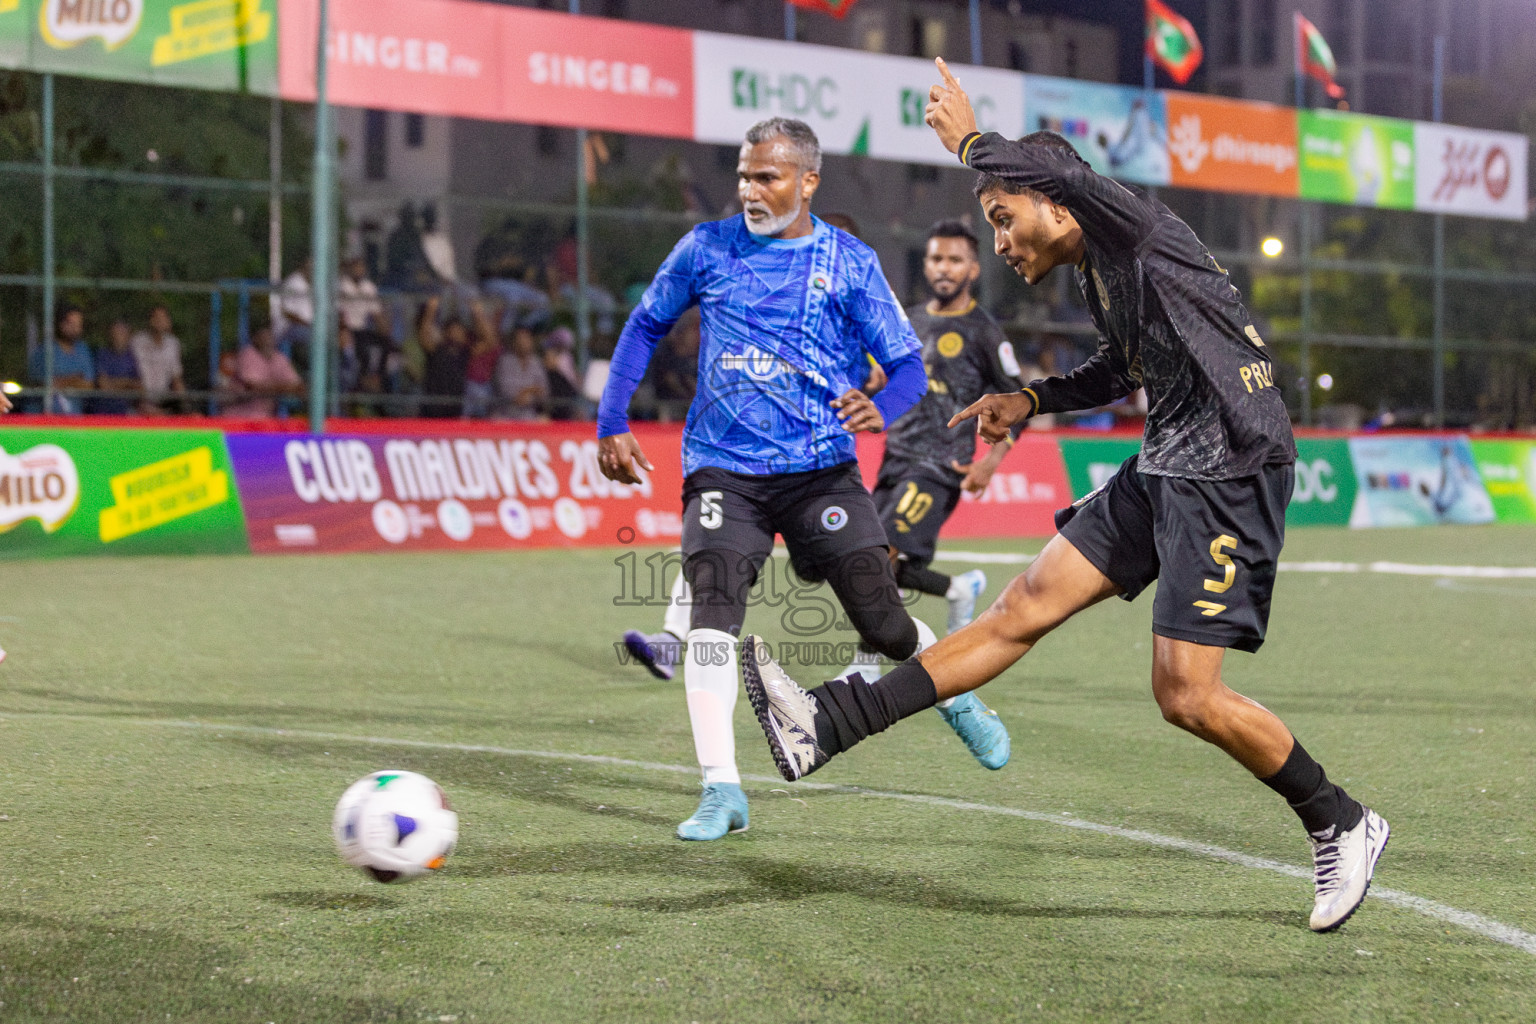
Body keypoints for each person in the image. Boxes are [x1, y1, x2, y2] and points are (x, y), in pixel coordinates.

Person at [741, 59, 1389, 935]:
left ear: (1057, 203)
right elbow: (1121, 369)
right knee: (1019, 609)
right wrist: (1033, 399)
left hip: (1234, 466)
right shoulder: (1099, 272)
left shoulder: (1136, 229)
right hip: (1166, 466)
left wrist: (971, 142)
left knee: (1186, 696)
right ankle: (828, 722)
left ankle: (1342, 820)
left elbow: (1072, 172)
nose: (1001, 244)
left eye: (1004, 219)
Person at [596, 116, 1010, 843]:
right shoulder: (706, 248)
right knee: (712, 614)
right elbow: (643, 325)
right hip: (725, 471)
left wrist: (878, 407)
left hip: (821, 471)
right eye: (744, 176)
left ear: (808, 181)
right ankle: (721, 789)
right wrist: (611, 420)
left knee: (882, 625)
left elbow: (908, 365)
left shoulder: (849, 261)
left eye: (768, 177)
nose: (751, 191)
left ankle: (956, 696)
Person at [869, 219, 1025, 641]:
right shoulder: (911, 320)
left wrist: (990, 463)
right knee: (864, 558)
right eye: (937, 258)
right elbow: (892, 379)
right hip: (895, 457)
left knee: (879, 557)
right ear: (926, 264)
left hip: (940, 467)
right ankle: (956, 589)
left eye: (955, 260)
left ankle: (866, 666)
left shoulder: (984, 333)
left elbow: (1019, 404)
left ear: (973, 270)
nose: (944, 268)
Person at [221, 324, 304, 418]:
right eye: (263, 336)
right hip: (239, 418)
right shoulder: (247, 354)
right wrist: (284, 388)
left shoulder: (279, 358)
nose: (267, 340)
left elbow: (297, 385)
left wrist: (288, 387)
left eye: (269, 335)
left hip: (265, 419)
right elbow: (255, 386)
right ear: (255, 338)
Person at [28, 303, 95, 415]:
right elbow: (43, 385)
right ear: (61, 324)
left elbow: (89, 385)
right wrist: (74, 379)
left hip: (74, 416)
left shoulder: (83, 349)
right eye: (72, 324)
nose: (76, 329)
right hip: (43, 417)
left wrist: (62, 381)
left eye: (79, 325)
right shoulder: (45, 349)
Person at [130, 305, 185, 413]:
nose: (159, 321)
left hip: (164, 400)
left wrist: (184, 404)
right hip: (139, 400)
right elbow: (130, 373)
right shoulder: (137, 342)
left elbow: (176, 378)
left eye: (163, 318)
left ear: (168, 322)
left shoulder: (173, 344)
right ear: (150, 320)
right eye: (156, 318)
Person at [495, 325, 548, 420]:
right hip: (507, 415)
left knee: (545, 421)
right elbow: (507, 391)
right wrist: (531, 389)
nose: (524, 342)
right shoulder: (505, 362)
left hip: (530, 415)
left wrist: (527, 394)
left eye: (527, 339)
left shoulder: (536, 362)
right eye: (521, 339)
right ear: (514, 343)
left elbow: (544, 391)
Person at [93, 318, 141, 414]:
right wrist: (127, 383)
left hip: (125, 411)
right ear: (110, 334)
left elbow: (139, 387)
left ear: (128, 335)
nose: (118, 336)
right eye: (116, 332)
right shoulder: (102, 354)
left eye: (122, 332)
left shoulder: (131, 357)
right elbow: (104, 385)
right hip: (103, 411)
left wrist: (115, 383)